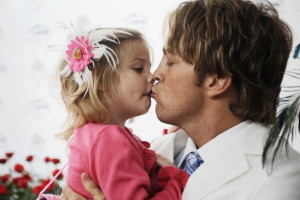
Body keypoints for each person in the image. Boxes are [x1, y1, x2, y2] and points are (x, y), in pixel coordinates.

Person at [61, 0, 300, 199]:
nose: (155, 75)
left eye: (171, 62)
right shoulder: (151, 150)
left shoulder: (281, 181)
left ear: (216, 80)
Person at [38, 25, 189, 200]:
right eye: (139, 69)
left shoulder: (96, 135)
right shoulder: (110, 139)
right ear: (100, 79)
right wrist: (174, 180)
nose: (151, 76)